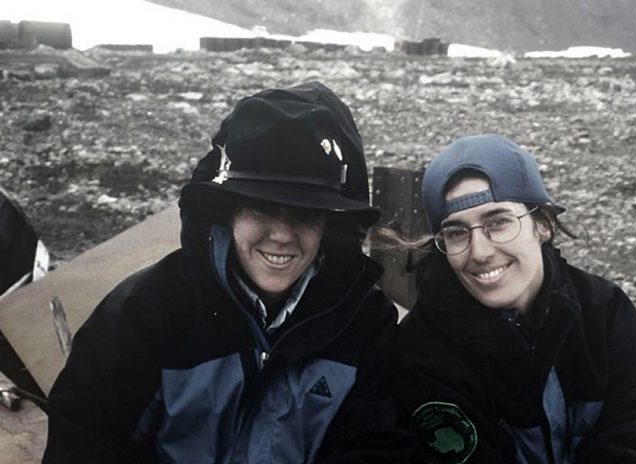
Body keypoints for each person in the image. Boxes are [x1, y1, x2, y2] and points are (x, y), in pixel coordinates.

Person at [43, 82, 413, 463]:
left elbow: (374, 449)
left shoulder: (365, 325)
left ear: (329, 225)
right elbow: (82, 443)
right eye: (262, 208)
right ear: (227, 210)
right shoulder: (144, 313)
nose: (282, 235)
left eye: (306, 213)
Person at [391, 134, 636, 463]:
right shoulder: (422, 353)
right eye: (456, 232)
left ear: (543, 225)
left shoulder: (606, 316)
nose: (480, 252)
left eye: (498, 222)